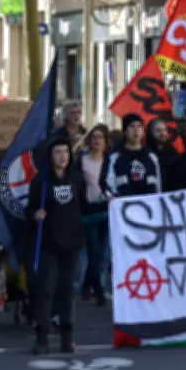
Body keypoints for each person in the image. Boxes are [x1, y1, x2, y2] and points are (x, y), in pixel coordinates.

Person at [26, 137, 85, 355]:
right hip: (49, 242)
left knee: (68, 290)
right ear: (50, 157)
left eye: (65, 152)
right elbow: (29, 209)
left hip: (72, 242)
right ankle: (42, 337)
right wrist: (35, 214)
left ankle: (67, 337)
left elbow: (85, 206)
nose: (62, 156)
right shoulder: (41, 182)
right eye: (58, 152)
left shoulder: (76, 179)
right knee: (46, 289)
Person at [77, 124, 110, 305]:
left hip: (105, 209)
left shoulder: (109, 161)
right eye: (94, 137)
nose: (97, 141)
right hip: (88, 210)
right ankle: (96, 288)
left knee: (103, 252)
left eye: (100, 138)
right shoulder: (82, 161)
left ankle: (91, 285)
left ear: (106, 142)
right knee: (93, 251)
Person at [100, 114, 161, 198]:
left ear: (143, 131)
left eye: (139, 126)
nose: (136, 130)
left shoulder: (151, 156)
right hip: (123, 208)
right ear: (124, 131)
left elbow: (158, 185)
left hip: (148, 207)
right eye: (132, 126)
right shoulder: (114, 156)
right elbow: (106, 184)